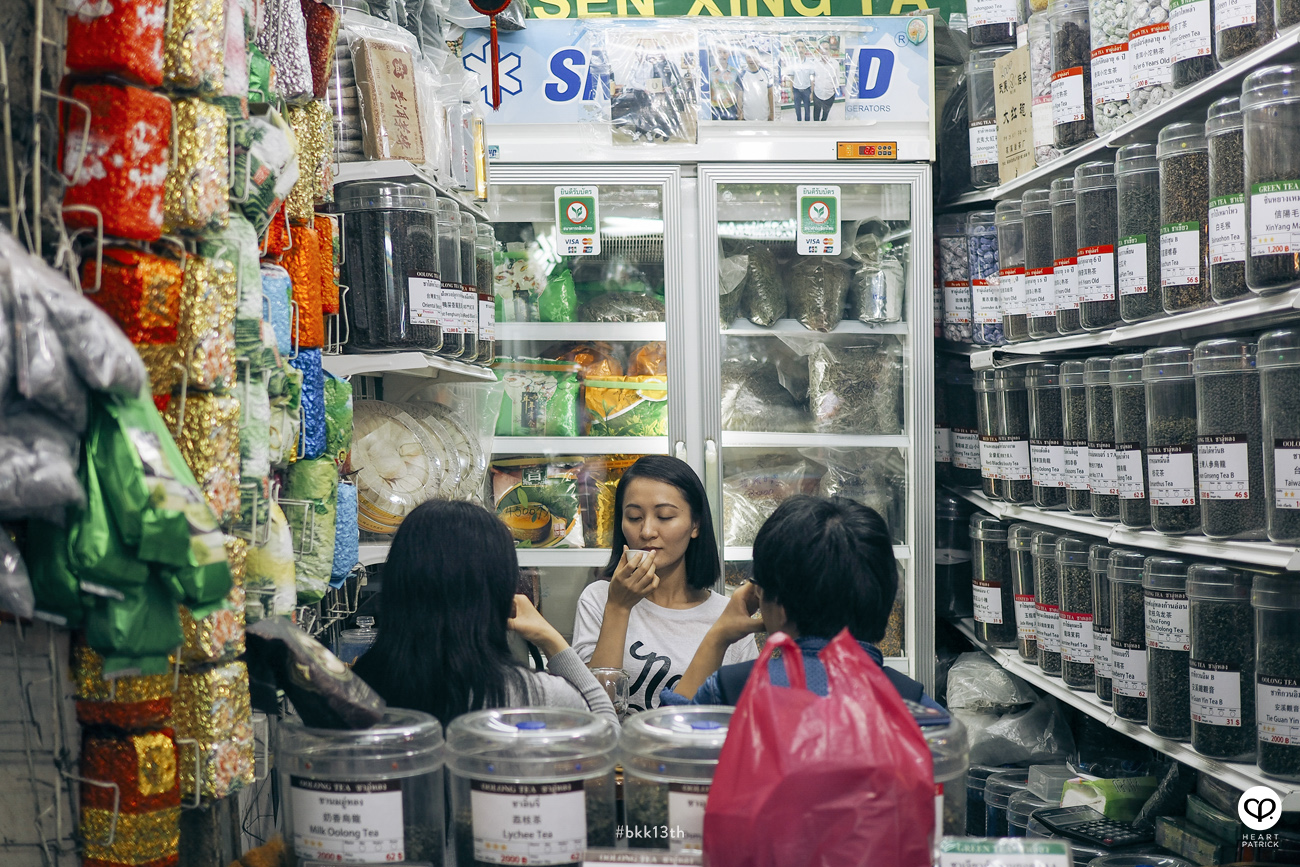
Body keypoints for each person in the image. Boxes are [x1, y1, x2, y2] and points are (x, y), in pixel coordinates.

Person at [352, 500, 617, 727]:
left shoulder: (359, 688)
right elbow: (608, 733)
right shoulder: (533, 695)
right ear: (499, 591)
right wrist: (549, 636)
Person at [663, 496, 939, 708]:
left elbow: (664, 752)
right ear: (885, 596)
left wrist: (717, 637)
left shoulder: (734, 690)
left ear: (779, 608)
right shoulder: (914, 705)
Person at [571, 455, 759, 713]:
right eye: (635, 517)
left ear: (695, 524)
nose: (647, 531)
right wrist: (618, 607)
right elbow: (592, 710)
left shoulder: (727, 616)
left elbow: (744, 717)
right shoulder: (598, 599)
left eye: (665, 516)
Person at [783, 40, 814, 121]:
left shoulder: (810, 63)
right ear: (795, 49)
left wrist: (811, 93)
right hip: (796, 90)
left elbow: (812, 79)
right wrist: (791, 92)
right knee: (797, 111)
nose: (800, 49)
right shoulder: (793, 63)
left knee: (807, 111)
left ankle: (807, 128)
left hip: (807, 90)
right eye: (798, 47)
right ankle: (799, 125)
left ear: (805, 49)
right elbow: (791, 78)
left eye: (802, 47)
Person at [709, 46, 742, 121]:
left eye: (725, 52)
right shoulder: (709, 72)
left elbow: (739, 93)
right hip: (714, 109)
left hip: (731, 108)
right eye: (719, 52)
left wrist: (739, 112)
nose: (722, 55)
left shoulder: (735, 72)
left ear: (729, 54)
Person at [740, 52, 774, 123]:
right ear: (745, 58)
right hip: (747, 118)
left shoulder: (767, 73)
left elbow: (770, 94)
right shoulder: (742, 75)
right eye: (749, 57)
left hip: (764, 118)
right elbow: (740, 96)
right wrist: (740, 113)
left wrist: (772, 113)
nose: (751, 60)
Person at [810, 46, 840, 122]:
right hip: (817, 94)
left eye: (826, 48)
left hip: (829, 95)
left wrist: (834, 91)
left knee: (825, 115)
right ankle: (816, 130)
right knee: (816, 115)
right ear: (819, 51)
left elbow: (837, 78)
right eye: (822, 49)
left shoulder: (835, 64)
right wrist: (811, 92)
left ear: (829, 51)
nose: (824, 51)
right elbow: (812, 78)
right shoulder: (815, 63)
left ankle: (823, 128)